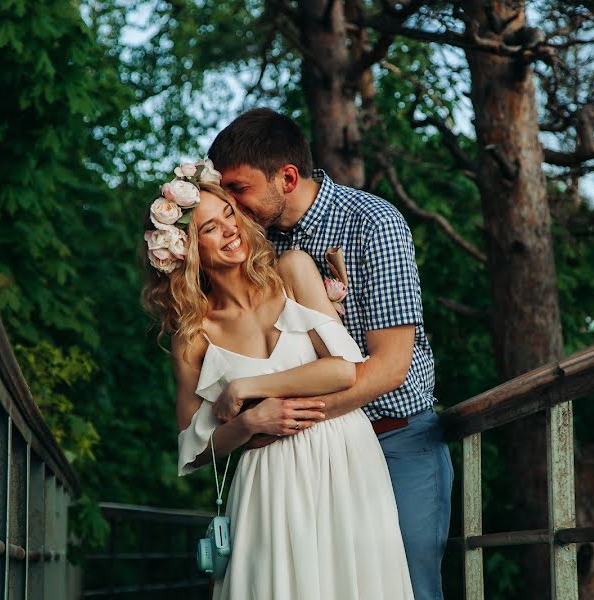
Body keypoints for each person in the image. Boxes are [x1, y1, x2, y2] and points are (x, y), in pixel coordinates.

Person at [208, 108, 454, 600]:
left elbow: (389, 368)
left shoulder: (373, 224)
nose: (231, 205)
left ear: (288, 177)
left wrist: (290, 416)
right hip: (298, 458)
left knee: (406, 583)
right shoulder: (250, 246)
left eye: (239, 189)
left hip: (395, 441)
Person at [141, 161, 414, 600]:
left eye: (231, 214)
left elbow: (343, 368)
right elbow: (192, 447)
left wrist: (246, 390)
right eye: (211, 227)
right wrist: (249, 424)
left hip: (343, 456)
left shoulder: (292, 270)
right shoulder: (193, 336)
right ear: (187, 250)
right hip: (267, 477)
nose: (230, 230)